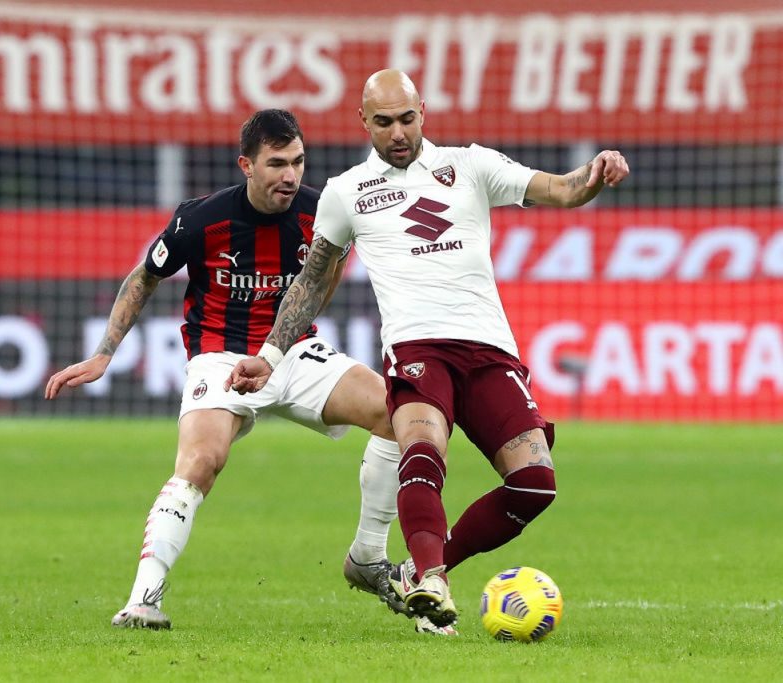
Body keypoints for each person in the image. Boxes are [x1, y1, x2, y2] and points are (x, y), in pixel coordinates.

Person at [227, 70, 630, 629]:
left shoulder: (471, 165)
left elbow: (563, 189)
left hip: (489, 349)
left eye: (406, 119)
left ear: (424, 112)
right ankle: (432, 580)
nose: (397, 133)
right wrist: (270, 356)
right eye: (383, 122)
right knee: (422, 450)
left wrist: (596, 171)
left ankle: (420, 571)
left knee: (535, 484)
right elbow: (312, 281)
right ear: (363, 122)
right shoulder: (347, 192)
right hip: (416, 346)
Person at [45, 109, 448, 633]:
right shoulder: (200, 220)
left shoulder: (323, 211)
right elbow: (144, 278)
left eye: (298, 162)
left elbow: (330, 269)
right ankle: (143, 598)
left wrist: (290, 334)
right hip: (222, 354)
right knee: (202, 460)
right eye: (277, 164)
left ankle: (368, 558)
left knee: (401, 415)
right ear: (247, 165)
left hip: (293, 351)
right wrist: (104, 353)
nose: (290, 176)